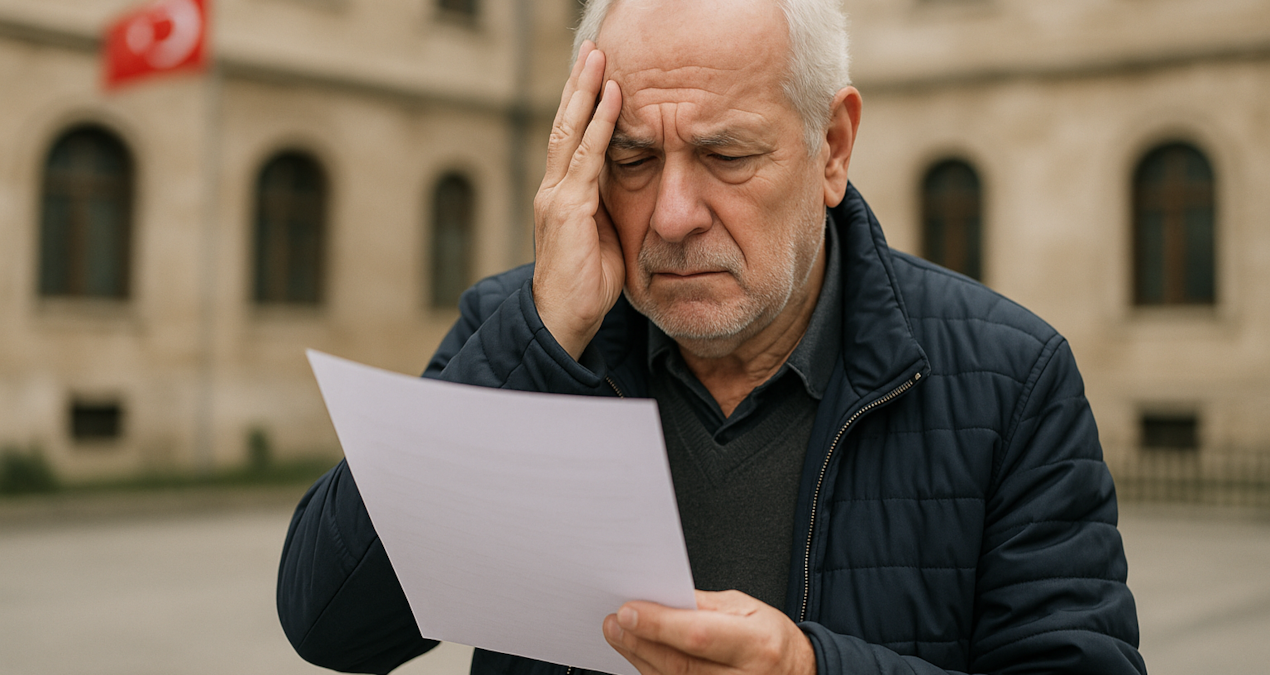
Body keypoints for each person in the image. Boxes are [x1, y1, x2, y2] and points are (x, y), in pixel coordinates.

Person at [278, 0, 1146, 674]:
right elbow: (330, 622)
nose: (674, 215)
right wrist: (540, 337)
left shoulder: (1010, 378)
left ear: (833, 147)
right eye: (631, 160)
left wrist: (812, 668)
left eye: (727, 156)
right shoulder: (529, 336)